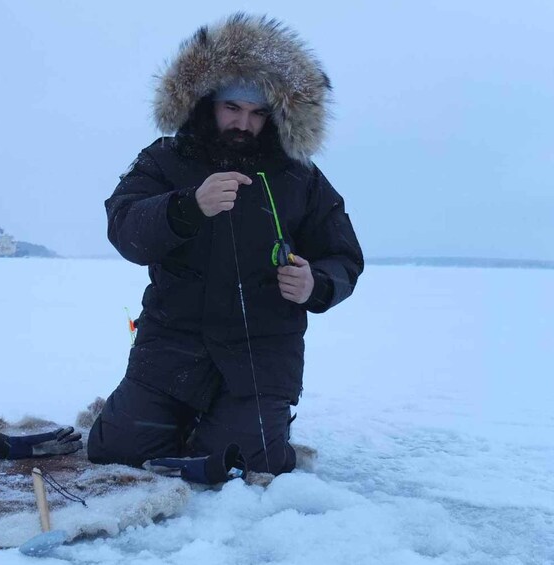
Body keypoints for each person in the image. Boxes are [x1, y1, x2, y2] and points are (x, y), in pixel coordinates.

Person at [87, 13, 363, 477]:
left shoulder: (301, 176)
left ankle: (242, 422)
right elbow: (125, 227)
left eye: (257, 113)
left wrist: (316, 283)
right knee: (117, 451)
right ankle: (178, 416)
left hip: (261, 354)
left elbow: (344, 256)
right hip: (171, 346)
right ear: (207, 102)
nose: (243, 122)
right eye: (232, 107)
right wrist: (188, 206)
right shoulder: (165, 159)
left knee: (247, 464)